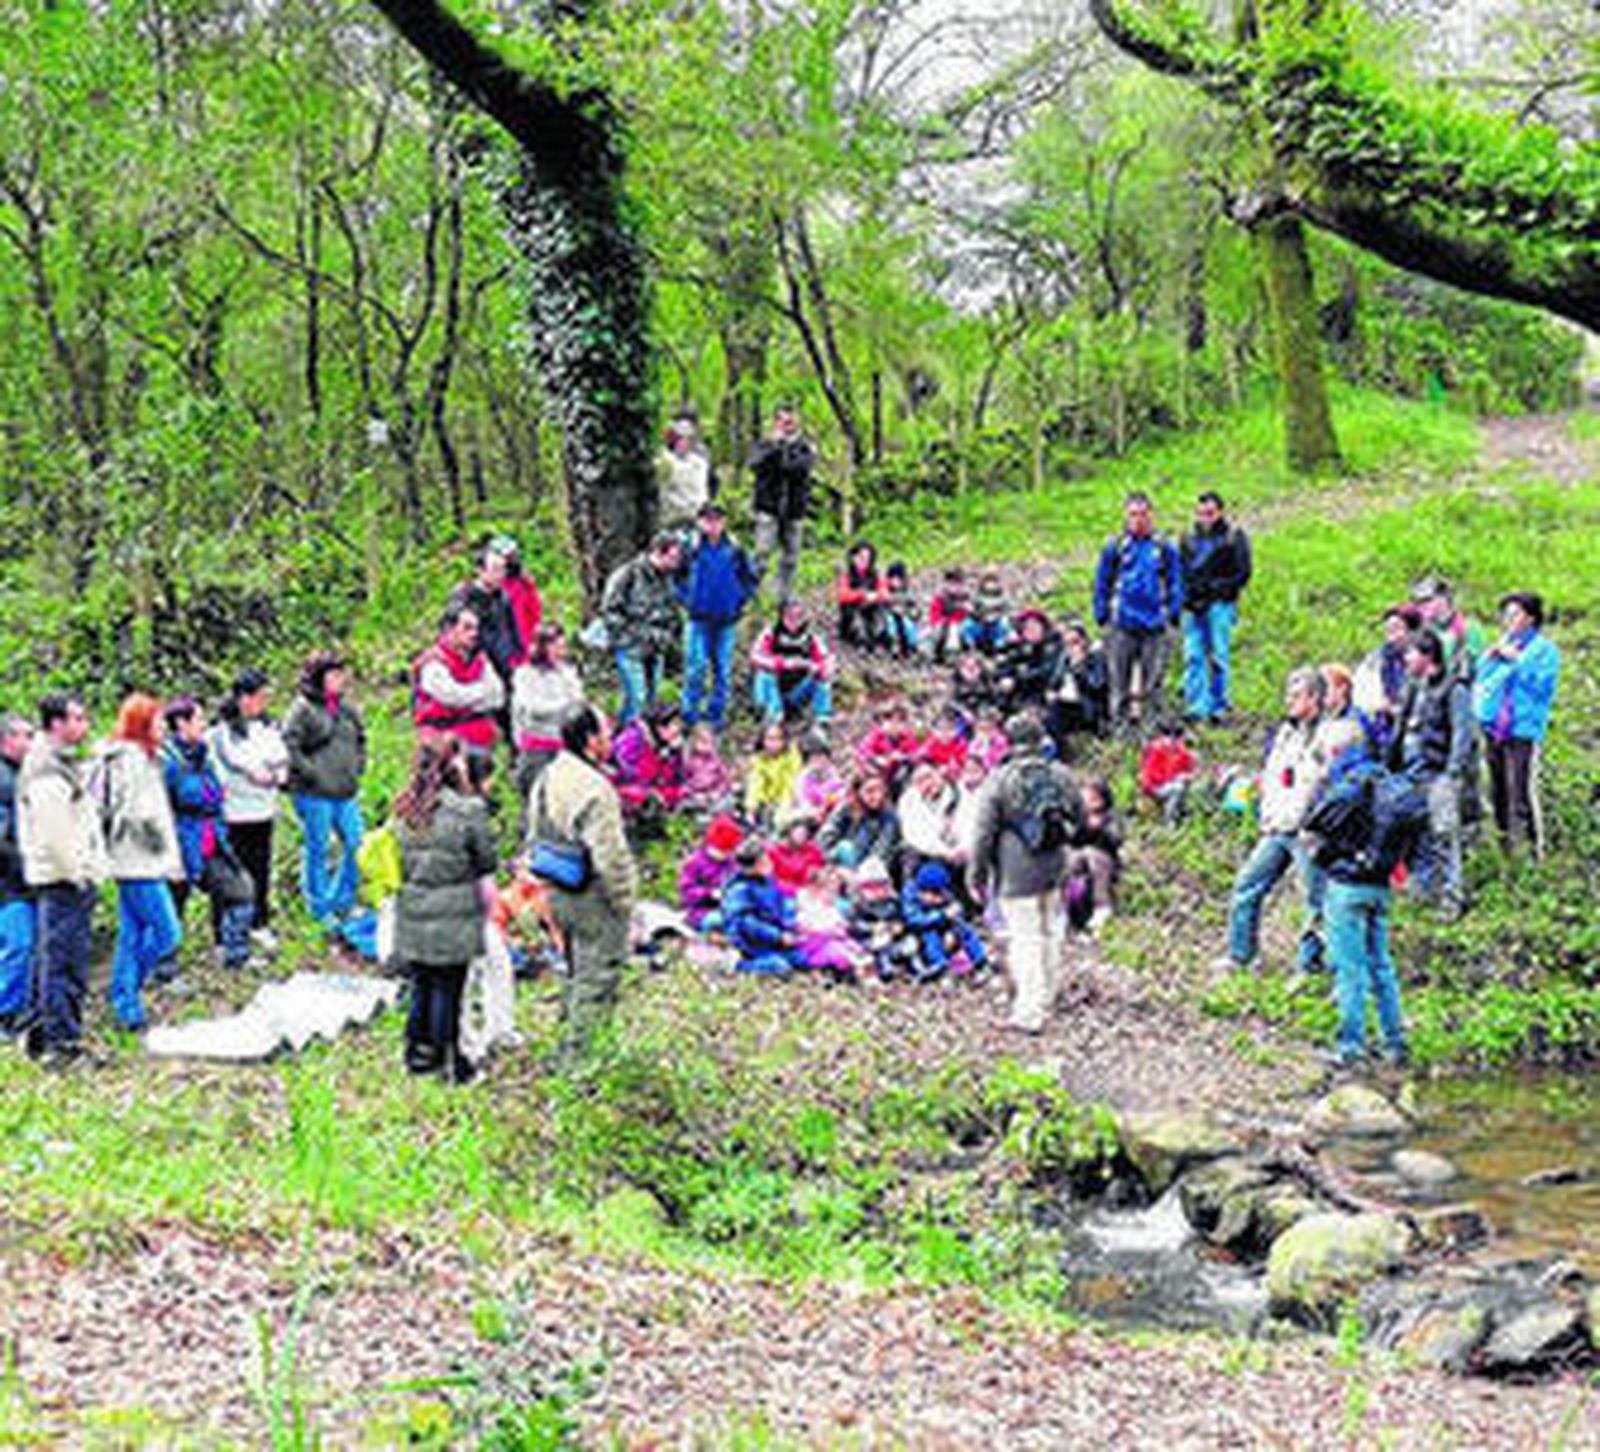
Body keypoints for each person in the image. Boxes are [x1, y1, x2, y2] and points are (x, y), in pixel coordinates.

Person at [1303, 721, 1422, 1069]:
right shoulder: (1393, 786)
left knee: (1350, 970)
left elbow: (1314, 827)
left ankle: (1350, 1048)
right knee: (1382, 966)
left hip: (1346, 888)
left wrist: (1328, 859)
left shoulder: (1350, 784)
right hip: (1381, 887)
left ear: (1338, 751)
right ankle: (1395, 1044)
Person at [525, 705, 637, 1058]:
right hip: (591, 896)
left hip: (555, 887)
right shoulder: (595, 788)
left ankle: (565, 1043)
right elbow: (610, 858)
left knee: (574, 972)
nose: (611, 740)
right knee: (597, 980)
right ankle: (582, 1063)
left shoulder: (549, 774)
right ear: (590, 741)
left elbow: (532, 833)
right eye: (606, 733)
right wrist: (625, 904)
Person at [967, 715, 1083, 1034]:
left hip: (1016, 871)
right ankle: (1048, 994)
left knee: (1024, 937)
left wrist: (975, 875)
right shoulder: (1062, 774)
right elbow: (1081, 818)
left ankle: (1029, 1011)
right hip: (1056, 864)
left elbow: (982, 833)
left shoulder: (1000, 779)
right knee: (1051, 930)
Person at [1214, 668, 1333, 976]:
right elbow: (1275, 776)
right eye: (1288, 693)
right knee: (1247, 886)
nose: (1288, 700)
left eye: (1296, 694)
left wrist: (1312, 819)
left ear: (1314, 698)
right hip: (1278, 825)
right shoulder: (1285, 732)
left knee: (1315, 901)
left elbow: (1325, 783)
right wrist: (1266, 813)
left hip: (1310, 830)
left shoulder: (1329, 734)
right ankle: (1242, 956)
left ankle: (1311, 967)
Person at [393, 733, 498, 1081]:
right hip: (454, 909)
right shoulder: (468, 811)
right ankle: (452, 1064)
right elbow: (485, 860)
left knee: (423, 982)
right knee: (447, 990)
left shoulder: (405, 809)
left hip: (413, 907)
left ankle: (416, 1055)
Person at [16, 694, 107, 1063]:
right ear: (57, 724)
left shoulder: (57, 763)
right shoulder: (47, 770)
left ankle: (43, 1035)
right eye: (77, 718)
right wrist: (81, 874)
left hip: (62, 877)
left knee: (53, 959)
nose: (84, 725)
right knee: (63, 963)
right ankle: (61, 1044)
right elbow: (56, 837)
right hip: (62, 879)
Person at [96, 694, 184, 1032]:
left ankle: (126, 1005)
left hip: (143, 861)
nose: (163, 728)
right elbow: (135, 818)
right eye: (158, 722)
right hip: (134, 862)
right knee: (168, 934)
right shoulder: (127, 762)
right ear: (142, 725)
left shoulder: (150, 759)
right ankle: (125, 990)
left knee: (132, 934)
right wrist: (164, 854)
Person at [163, 698, 255, 970]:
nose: (204, 725)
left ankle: (234, 953)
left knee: (240, 891)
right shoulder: (167, 762)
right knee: (171, 908)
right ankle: (164, 968)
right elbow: (165, 805)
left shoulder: (203, 755)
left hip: (212, 839)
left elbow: (215, 793)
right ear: (182, 724)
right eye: (198, 719)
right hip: (182, 843)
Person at [1389, 630, 1473, 918]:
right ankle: (1423, 889)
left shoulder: (1454, 688)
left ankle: (1453, 899)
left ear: (1427, 655)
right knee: (1415, 832)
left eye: (1411, 653)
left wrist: (1452, 772)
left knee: (1444, 836)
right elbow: (1401, 728)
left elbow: (1463, 734)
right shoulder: (1413, 685)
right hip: (1410, 772)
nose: (1405, 658)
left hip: (1438, 773)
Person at [1474, 591, 1561, 858]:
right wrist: (1490, 658)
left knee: (1520, 792)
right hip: (1495, 728)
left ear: (1531, 619)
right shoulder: (1504, 643)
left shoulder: (1544, 651)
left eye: (1515, 614)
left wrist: (1517, 661)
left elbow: (1542, 686)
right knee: (1497, 788)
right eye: (1506, 614)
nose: (1508, 620)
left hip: (1522, 730)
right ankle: (1505, 849)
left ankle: (1534, 851)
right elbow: (1483, 680)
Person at [284, 650, 367, 927]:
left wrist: (358, 766)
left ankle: (342, 900)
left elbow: (361, 738)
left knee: (357, 844)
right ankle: (319, 908)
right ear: (319, 678)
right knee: (317, 848)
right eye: (333, 675)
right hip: (314, 792)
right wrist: (312, 773)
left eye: (341, 674)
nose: (340, 680)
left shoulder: (346, 708)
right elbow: (289, 745)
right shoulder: (302, 709)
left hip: (345, 791)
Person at [209, 669, 289, 951]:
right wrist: (258, 770)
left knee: (261, 869)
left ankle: (259, 922)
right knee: (230, 875)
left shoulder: (268, 727)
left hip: (263, 811)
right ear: (243, 698)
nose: (264, 702)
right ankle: (224, 933)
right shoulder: (221, 733)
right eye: (260, 696)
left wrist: (275, 772)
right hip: (234, 813)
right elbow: (236, 764)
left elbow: (279, 758)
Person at [1093, 491, 1183, 734]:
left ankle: (1151, 728)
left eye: (1143, 514)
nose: (1138, 520)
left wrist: (1174, 612)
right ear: (1126, 516)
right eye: (1133, 515)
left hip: (1155, 623)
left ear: (1151, 515)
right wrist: (1101, 613)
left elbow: (1175, 580)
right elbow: (1102, 582)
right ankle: (1120, 728)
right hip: (1122, 623)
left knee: (1153, 682)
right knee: (1119, 681)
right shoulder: (1115, 547)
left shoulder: (1164, 547)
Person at [679, 502, 759, 732]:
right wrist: (687, 599)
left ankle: (716, 716)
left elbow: (749, 578)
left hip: (726, 620)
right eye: (707, 520)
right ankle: (689, 716)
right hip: (698, 618)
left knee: (722, 669)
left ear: (723, 522)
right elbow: (676, 577)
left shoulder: (734, 548)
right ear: (699, 522)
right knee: (696, 668)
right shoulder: (690, 548)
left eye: (717, 519)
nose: (712, 525)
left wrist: (739, 600)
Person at [1178, 491, 1252, 722]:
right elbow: (1179, 571)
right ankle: (1197, 705)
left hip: (1220, 604)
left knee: (1218, 655)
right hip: (1193, 604)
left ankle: (1219, 705)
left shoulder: (1233, 537)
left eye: (1210, 513)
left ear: (1220, 512)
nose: (1205, 518)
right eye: (1201, 513)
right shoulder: (1188, 538)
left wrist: (1217, 589)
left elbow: (1243, 573)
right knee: (1194, 654)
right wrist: (1187, 596)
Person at [600, 532, 683, 727]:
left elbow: (672, 612)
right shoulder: (628, 575)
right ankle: (628, 747)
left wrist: (671, 637)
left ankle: (633, 742)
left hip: (657, 647)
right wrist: (633, 636)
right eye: (672, 557)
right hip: (631, 647)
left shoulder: (667, 579)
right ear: (658, 553)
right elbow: (610, 612)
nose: (676, 562)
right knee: (637, 699)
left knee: (651, 703)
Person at [412, 605, 505, 754]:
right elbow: (452, 697)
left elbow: (498, 696)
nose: (474, 634)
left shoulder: (480, 660)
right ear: (448, 631)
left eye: (476, 628)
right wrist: (482, 694)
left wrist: (468, 699)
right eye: (467, 628)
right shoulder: (433, 662)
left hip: (479, 742)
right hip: (440, 743)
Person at [511, 625, 587, 800]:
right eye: (557, 648)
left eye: (563, 647)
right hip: (536, 742)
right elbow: (534, 708)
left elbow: (579, 701)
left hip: (564, 741)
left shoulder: (568, 672)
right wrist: (564, 705)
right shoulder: (525, 675)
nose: (562, 652)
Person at [749, 403, 816, 602]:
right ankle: (753, 593)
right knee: (762, 554)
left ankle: (783, 596)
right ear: (776, 422)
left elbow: (800, 468)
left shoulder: (804, 447)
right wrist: (775, 446)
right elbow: (755, 464)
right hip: (768, 508)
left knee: (791, 558)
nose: (788, 425)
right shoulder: (764, 444)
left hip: (794, 510)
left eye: (791, 421)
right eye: (783, 421)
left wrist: (786, 453)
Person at [446, 537, 527, 691]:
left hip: (504, 667)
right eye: (495, 569)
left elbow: (512, 629)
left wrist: (518, 656)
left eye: (503, 569)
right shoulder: (464, 597)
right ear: (480, 570)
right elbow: (451, 634)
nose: (501, 575)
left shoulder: (502, 597)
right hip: (476, 670)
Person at [0, 714, 36, 1035]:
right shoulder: (4, 780)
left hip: (25, 878)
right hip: (11, 883)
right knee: (19, 946)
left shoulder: (23, 774)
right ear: (6, 740)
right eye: (25, 736)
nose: (30, 742)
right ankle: (6, 1014)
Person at [722, 839, 803, 975]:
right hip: (751, 943)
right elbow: (746, 924)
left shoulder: (767, 882)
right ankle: (740, 965)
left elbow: (783, 903)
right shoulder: (739, 889)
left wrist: (790, 926)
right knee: (779, 967)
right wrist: (777, 936)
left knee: (801, 959)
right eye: (762, 862)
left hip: (774, 939)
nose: (768, 864)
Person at [750, 599, 834, 726]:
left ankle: (822, 720)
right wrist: (784, 664)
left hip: (797, 691)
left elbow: (827, 662)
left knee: (822, 680)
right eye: (790, 617)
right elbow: (755, 656)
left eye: (799, 616)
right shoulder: (771, 633)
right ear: (782, 617)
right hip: (773, 690)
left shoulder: (811, 637)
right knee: (764, 673)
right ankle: (773, 717)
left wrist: (816, 667)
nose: (795, 622)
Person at [901, 860, 987, 983]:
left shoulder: (944, 893)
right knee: (931, 937)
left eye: (939, 893)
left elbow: (954, 910)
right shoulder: (911, 896)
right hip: (920, 930)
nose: (935, 897)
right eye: (931, 893)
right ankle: (941, 968)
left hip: (943, 925)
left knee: (965, 929)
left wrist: (954, 921)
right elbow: (914, 919)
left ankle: (980, 962)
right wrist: (941, 915)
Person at [1352, 604, 1424, 750]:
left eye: (1398, 629)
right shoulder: (1379, 660)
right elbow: (1364, 698)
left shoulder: (1424, 659)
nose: (1392, 636)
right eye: (1388, 631)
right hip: (1384, 725)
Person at [610, 703, 686, 818]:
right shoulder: (632, 740)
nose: (679, 729)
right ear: (660, 727)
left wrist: (673, 754)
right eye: (674, 724)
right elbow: (621, 775)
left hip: (651, 795)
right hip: (624, 795)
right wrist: (650, 792)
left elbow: (676, 781)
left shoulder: (669, 746)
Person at [819, 771, 903, 876]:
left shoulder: (890, 816)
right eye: (870, 791)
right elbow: (826, 835)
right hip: (840, 866)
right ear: (858, 792)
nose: (877, 796)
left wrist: (860, 871)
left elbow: (882, 850)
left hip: (872, 871)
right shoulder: (846, 809)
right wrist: (834, 859)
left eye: (880, 790)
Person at [1048, 620, 1110, 745]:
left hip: (1089, 706)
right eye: (1068, 644)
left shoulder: (1096, 656)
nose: (1072, 647)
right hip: (1067, 703)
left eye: (1075, 641)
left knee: (1057, 712)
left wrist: (1079, 668)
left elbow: (1097, 686)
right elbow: (1054, 681)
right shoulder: (1065, 657)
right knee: (1051, 712)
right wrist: (1052, 691)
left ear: (1084, 640)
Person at [679, 814, 742, 931]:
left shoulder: (731, 864)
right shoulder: (695, 863)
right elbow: (686, 892)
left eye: (727, 851)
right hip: (699, 912)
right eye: (720, 850)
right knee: (717, 921)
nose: (723, 855)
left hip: (727, 909)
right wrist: (709, 894)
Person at [656, 411, 717, 531]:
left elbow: (708, 485)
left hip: (697, 516)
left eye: (687, 439)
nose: (684, 442)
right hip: (672, 518)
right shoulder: (665, 461)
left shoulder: (700, 462)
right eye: (680, 438)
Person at [994, 609, 1062, 716]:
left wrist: (1017, 679)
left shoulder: (1054, 643)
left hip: (1048, 691)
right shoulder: (1024, 645)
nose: (1031, 631)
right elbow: (1007, 661)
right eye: (1026, 628)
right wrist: (1005, 676)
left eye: (1034, 626)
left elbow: (1046, 671)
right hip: (1027, 691)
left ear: (1043, 626)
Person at [744, 719, 803, 832]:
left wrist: (783, 805)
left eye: (778, 739)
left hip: (788, 802)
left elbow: (791, 784)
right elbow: (755, 784)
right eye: (770, 739)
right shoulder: (759, 759)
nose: (774, 744)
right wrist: (751, 809)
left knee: (779, 818)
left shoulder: (792, 756)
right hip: (767, 802)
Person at [1138, 721, 1197, 826]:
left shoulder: (1178, 750)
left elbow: (1189, 765)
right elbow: (1150, 776)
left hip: (1168, 784)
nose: (1174, 740)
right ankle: (1169, 820)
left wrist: (1189, 773)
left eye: (1178, 737)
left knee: (1192, 786)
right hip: (1154, 786)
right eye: (1170, 736)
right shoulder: (1155, 749)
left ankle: (1180, 811)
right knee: (1178, 787)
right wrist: (1175, 778)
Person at [836, 541, 887, 652]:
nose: (863, 561)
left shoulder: (875, 574)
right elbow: (842, 595)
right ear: (854, 558)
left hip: (870, 609)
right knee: (853, 611)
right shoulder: (847, 574)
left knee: (880, 609)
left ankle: (878, 638)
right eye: (860, 557)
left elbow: (884, 593)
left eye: (867, 558)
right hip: (852, 612)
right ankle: (861, 641)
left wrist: (875, 596)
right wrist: (861, 595)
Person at [681, 722, 735, 816]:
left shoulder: (715, 759)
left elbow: (724, 779)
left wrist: (718, 792)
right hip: (696, 796)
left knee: (728, 802)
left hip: (713, 795)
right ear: (694, 742)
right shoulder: (689, 760)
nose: (707, 746)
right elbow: (684, 781)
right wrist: (693, 793)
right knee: (686, 805)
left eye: (710, 742)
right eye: (703, 741)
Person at [927, 569, 972, 664]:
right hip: (942, 629)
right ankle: (944, 653)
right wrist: (945, 621)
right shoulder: (940, 598)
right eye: (952, 584)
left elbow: (968, 617)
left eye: (958, 584)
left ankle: (956, 653)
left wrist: (967, 610)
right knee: (950, 629)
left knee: (957, 628)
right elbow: (934, 617)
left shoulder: (965, 598)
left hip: (959, 629)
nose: (955, 587)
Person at [962, 571, 1011, 656]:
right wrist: (976, 614)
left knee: (1004, 625)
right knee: (967, 625)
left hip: (996, 622)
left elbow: (1007, 609)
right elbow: (971, 608)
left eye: (993, 582)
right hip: (980, 621)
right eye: (988, 582)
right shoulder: (977, 596)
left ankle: (1000, 648)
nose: (990, 585)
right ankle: (969, 647)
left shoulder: (1003, 596)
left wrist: (998, 615)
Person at [882, 562, 919, 659]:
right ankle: (893, 644)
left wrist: (911, 612)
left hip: (904, 616)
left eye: (898, 579)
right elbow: (882, 608)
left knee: (909, 625)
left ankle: (912, 646)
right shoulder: (885, 593)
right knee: (890, 624)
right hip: (890, 617)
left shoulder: (907, 593)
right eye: (893, 579)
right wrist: (893, 610)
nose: (895, 582)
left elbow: (915, 607)